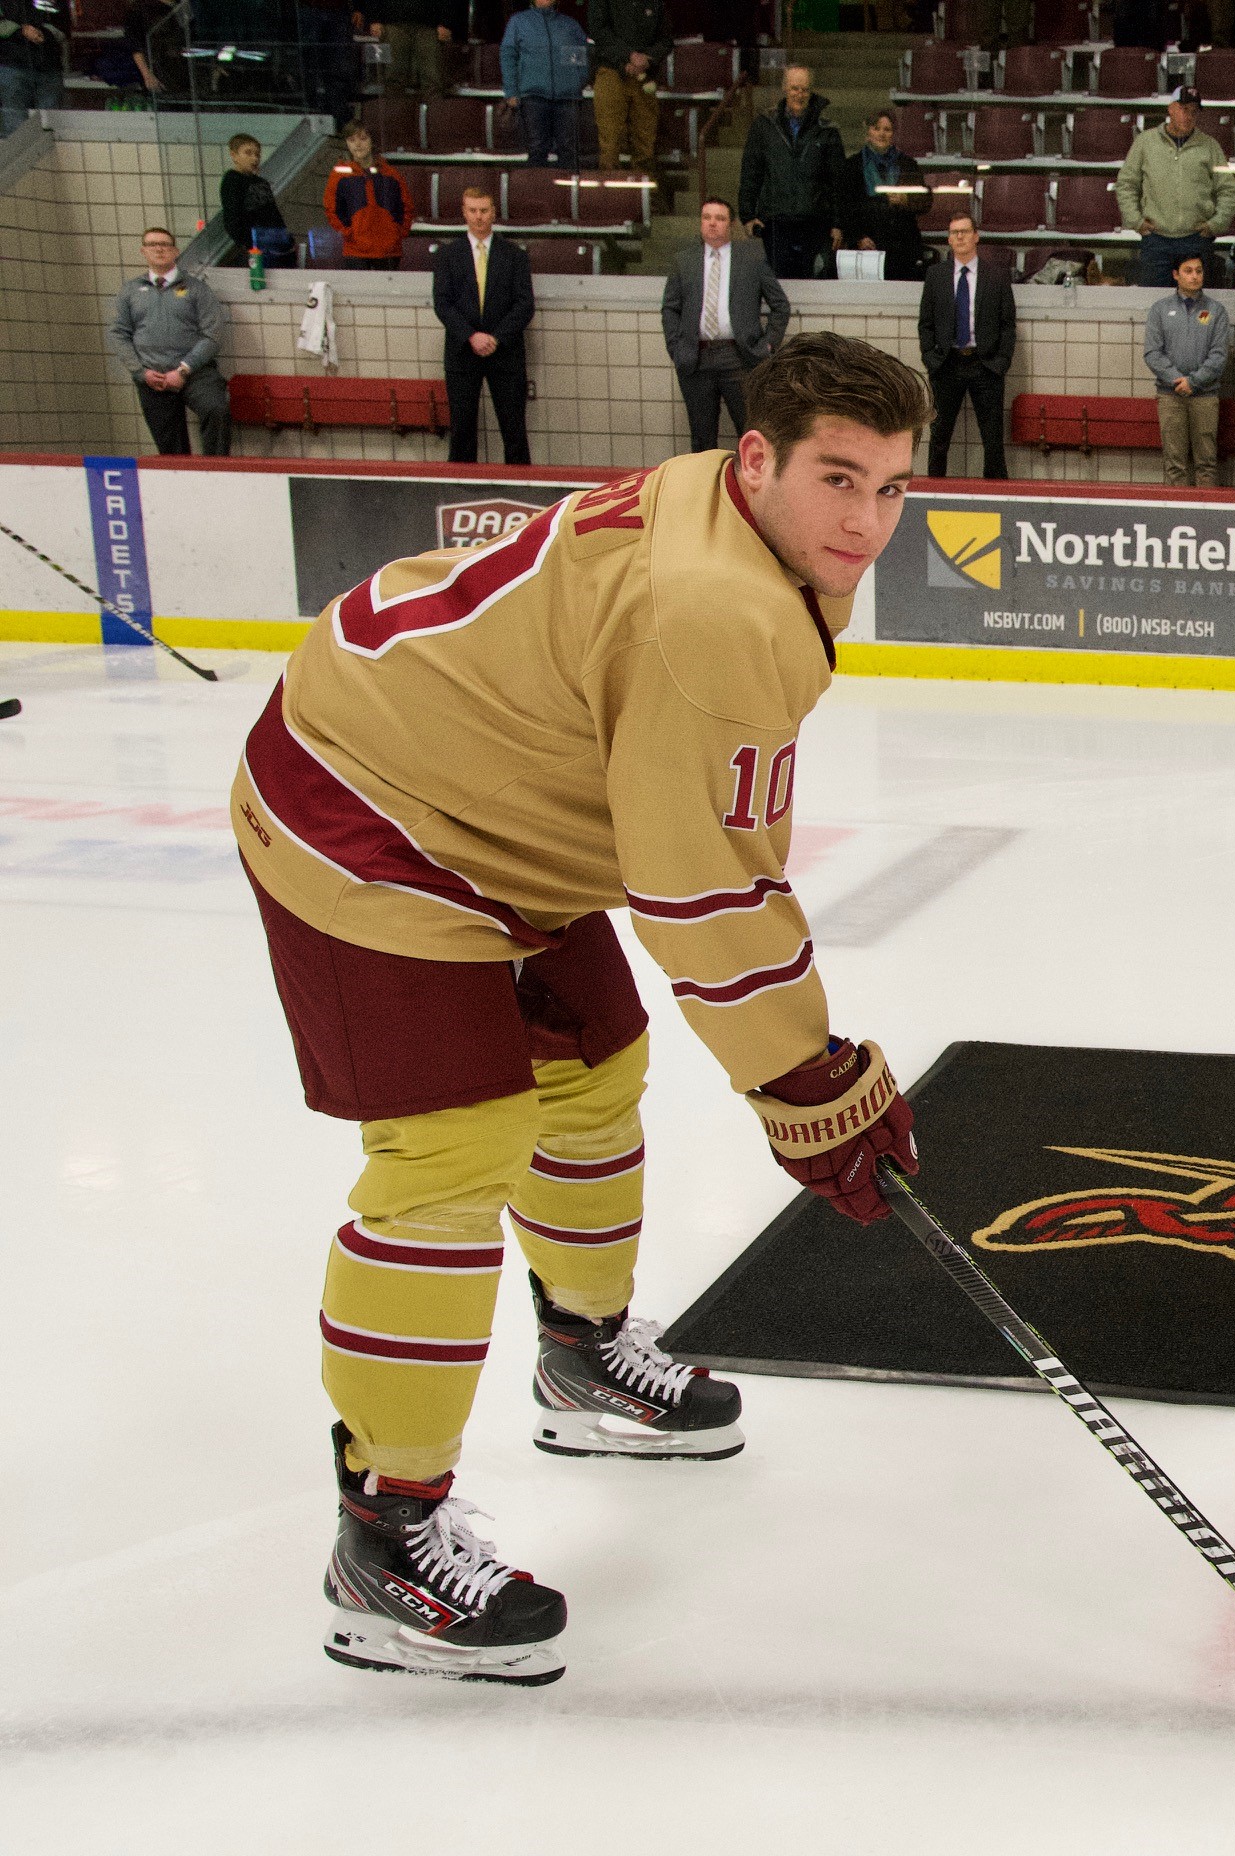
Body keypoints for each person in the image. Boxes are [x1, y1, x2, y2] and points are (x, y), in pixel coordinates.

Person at [232, 333, 928, 1689]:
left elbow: (692, 856)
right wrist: (811, 1087)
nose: (867, 521)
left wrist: (805, 1076)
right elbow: (705, 895)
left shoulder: (742, 537)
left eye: (896, 487)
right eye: (839, 479)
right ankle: (386, 1532)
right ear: (758, 460)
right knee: (450, 1154)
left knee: (598, 1062)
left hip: (486, 799)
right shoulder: (717, 610)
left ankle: (581, 1350)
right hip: (363, 809)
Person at [660, 197, 790, 454]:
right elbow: (670, 308)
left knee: (751, 433)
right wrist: (677, 347)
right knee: (701, 437)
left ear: (730, 225)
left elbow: (780, 306)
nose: (712, 224)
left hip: (740, 358)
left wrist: (766, 345)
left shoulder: (751, 259)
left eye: (719, 219)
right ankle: (704, 490)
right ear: (700, 223)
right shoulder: (684, 261)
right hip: (696, 358)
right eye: (707, 218)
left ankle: (748, 491)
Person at [432, 187, 534, 466]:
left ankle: (523, 491)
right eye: (473, 211)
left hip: (506, 353)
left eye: (484, 211)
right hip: (462, 352)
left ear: (494, 213)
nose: (479, 217)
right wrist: (470, 336)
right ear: (464, 212)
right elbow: (442, 303)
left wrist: (496, 338)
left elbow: (525, 305)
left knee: (514, 429)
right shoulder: (447, 255)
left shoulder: (514, 256)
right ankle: (461, 493)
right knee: (462, 429)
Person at [107, 228, 229, 457]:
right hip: (152, 377)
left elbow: (212, 334)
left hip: (196, 373)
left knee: (216, 411)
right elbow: (118, 334)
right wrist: (141, 372)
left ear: (175, 251)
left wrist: (184, 369)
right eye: (152, 245)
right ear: (143, 251)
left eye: (165, 244)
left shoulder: (197, 289)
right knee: (171, 450)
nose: (159, 249)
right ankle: (180, 485)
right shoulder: (130, 291)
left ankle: (218, 470)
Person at [917, 210, 1016, 479]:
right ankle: (934, 492)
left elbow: (1008, 324)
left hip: (985, 365)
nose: (959, 237)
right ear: (948, 240)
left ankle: (996, 496)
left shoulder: (995, 276)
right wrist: (930, 357)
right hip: (946, 364)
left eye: (964, 231)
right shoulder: (936, 275)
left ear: (976, 236)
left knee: (992, 439)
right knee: (939, 437)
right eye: (953, 233)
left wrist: (1002, 361)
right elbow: (926, 322)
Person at [1118, 85, 1235, 287]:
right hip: (1156, 241)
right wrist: (1135, 221)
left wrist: (1215, 224)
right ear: (1170, 109)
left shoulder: (1210, 146)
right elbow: (1126, 184)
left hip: (1196, 240)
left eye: (1193, 111)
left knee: (1198, 307)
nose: (1188, 116)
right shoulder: (1145, 142)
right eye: (1183, 109)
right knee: (1154, 303)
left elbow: (1227, 189)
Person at [740, 65, 847, 282]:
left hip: (815, 223)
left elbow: (839, 181)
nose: (799, 94)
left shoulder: (828, 131)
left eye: (805, 90)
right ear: (784, 88)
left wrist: (838, 223)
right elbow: (751, 171)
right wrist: (748, 214)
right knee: (779, 287)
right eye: (794, 88)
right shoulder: (764, 125)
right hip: (775, 223)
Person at [1145, 250, 1227, 486]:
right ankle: (1175, 518)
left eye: (1198, 271)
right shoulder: (1159, 310)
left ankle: (1206, 517)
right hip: (1170, 395)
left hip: (1205, 396)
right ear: (1176, 275)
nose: (1194, 276)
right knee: (1174, 462)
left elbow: (1219, 355)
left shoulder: (1216, 311)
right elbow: (1152, 352)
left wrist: (1194, 381)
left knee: (1207, 463)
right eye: (1188, 271)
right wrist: (1177, 379)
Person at [500, 0, 592, 171]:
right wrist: (511, 91)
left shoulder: (570, 25)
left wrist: (576, 82)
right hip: (533, 97)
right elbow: (508, 55)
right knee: (537, 149)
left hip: (567, 98)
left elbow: (581, 57)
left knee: (568, 151)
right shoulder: (518, 22)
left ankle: (568, 196)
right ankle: (537, 195)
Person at [842, 108, 927, 281]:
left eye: (887, 130)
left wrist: (906, 200)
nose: (881, 133)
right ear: (868, 131)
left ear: (893, 134)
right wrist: (859, 237)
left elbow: (926, 201)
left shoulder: (907, 164)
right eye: (876, 128)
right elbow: (846, 206)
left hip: (902, 247)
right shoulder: (853, 165)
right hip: (867, 246)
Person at [585, 0, 665, 173]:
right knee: (610, 143)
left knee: (645, 144)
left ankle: (645, 196)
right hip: (610, 72)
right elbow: (598, 31)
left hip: (645, 77)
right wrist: (628, 57)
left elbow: (666, 39)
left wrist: (647, 59)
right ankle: (611, 197)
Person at [323, 124, 414, 273]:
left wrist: (397, 233)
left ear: (372, 141)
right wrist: (349, 233)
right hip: (355, 251)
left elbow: (406, 207)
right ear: (346, 143)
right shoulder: (338, 175)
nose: (358, 145)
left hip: (389, 251)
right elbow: (332, 209)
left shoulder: (391, 174)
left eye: (363, 139)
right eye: (352, 140)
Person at [217, 132, 293, 266]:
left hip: (274, 241)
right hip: (256, 245)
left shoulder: (262, 182)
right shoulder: (232, 180)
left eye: (257, 154)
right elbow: (232, 216)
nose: (254, 158)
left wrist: (286, 238)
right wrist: (248, 243)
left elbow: (273, 212)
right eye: (248, 153)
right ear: (234, 155)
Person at [364, 0, 456, 104]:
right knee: (393, 77)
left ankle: (435, 118)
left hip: (430, 25)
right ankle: (395, 117)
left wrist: (446, 22)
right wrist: (374, 18)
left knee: (433, 79)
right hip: (393, 21)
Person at [0, 0, 67, 133]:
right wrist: (20, 32)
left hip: (48, 66)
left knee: (50, 129)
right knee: (16, 132)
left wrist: (43, 33)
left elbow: (63, 20)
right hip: (11, 65)